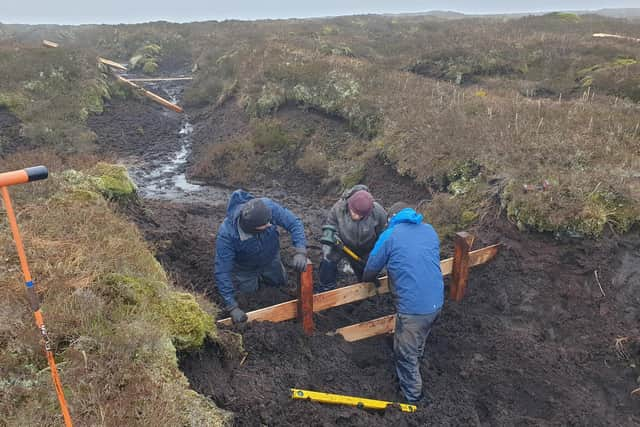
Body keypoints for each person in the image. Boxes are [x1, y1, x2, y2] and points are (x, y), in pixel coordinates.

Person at [362, 202, 444, 404]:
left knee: (404, 354)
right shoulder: (429, 230)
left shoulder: (390, 235)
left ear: (391, 218)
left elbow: (371, 268)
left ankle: (414, 399)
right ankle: (418, 357)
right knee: (418, 338)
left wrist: (369, 278)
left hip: (413, 308)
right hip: (436, 302)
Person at [214, 189, 308, 323]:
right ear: (252, 229)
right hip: (245, 268)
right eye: (265, 224)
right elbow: (222, 271)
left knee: (280, 283)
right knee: (249, 296)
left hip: (271, 258)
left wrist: (300, 251)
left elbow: (294, 222)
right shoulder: (227, 235)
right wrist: (232, 306)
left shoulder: (267, 207)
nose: (270, 224)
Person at [317, 185, 387, 292]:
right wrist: (333, 241)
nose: (356, 217)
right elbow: (330, 226)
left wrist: (374, 256)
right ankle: (325, 288)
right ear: (349, 205)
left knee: (366, 273)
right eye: (354, 212)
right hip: (342, 245)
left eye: (360, 216)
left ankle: (366, 290)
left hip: (366, 247)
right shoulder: (338, 208)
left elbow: (383, 236)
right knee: (328, 259)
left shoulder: (378, 212)